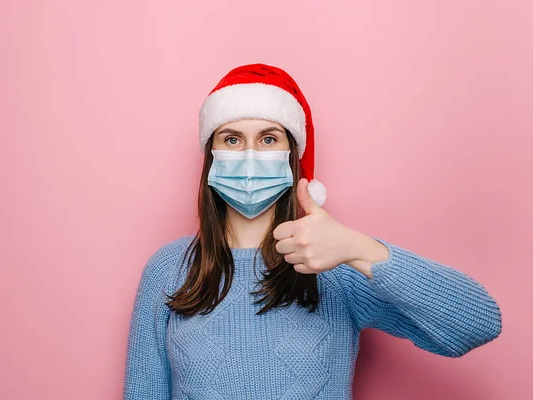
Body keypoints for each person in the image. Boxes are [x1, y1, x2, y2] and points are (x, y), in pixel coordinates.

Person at [122, 63, 502, 400]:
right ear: (211, 157)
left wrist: (358, 249)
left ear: (292, 155)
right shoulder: (169, 267)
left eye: (269, 139)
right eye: (232, 139)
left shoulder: (334, 262)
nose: (250, 155)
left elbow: (477, 324)